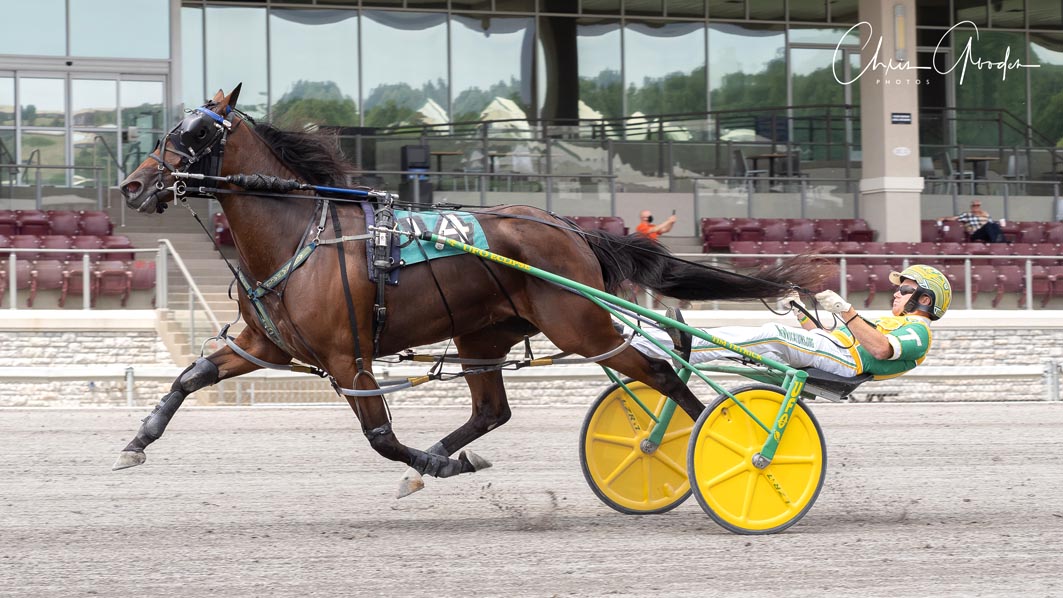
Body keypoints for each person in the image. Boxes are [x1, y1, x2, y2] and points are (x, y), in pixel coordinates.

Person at [629, 265, 951, 380]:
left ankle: (675, 346)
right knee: (757, 337)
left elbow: (880, 350)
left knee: (773, 335)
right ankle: (666, 338)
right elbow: (823, 337)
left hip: (846, 363)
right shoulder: (887, 320)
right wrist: (799, 310)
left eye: (904, 289)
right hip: (834, 351)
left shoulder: (919, 332)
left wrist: (846, 310)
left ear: (924, 299)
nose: (895, 293)